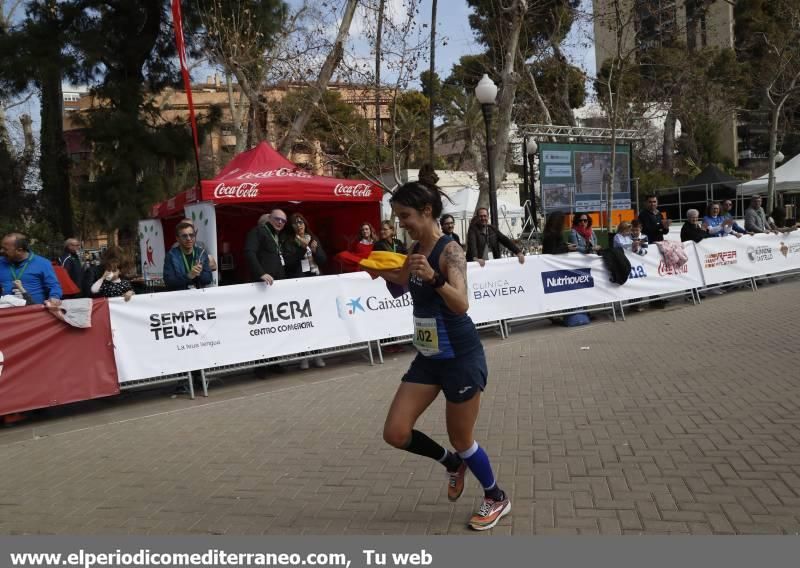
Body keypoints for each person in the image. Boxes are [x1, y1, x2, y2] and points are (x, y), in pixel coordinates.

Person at [367, 181, 511, 531]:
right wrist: (375, 269)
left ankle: (496, 496)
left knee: (462, 439)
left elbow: (462, 304)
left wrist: (434, 279)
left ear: (427, 212)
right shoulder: (415, 247)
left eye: (405, 216)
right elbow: (401, 280)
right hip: (429, 356)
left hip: (461, 356)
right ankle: (450, 464)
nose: (400, 223)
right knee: (396, 432)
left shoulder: (451, 252)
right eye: (397, 217)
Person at [0, 233, 62, 305]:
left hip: (33, 311)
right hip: (5, 312)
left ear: (19, 250)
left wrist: (54, 297)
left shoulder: (42, 263)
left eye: (5, 249)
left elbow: (53, 286)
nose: (1, 251)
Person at [244, 210, 297, 285]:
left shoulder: (277, 236)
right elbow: (249, 252)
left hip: (278, 281)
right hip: (262, 283)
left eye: (283, 221)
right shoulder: (258, 231)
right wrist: (261, 273)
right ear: (269, 218)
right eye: (277, 219)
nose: (280, 222)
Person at [163, 222, 213, 291]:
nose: (188, 238)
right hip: (180, 296)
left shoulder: (201, 253)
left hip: (199, 295)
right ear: (177, 238)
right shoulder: (171, 256)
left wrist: (199, 273)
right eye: (184, 236)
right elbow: (169, 282)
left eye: (191, 235)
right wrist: (188, 276)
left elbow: (209, 279)